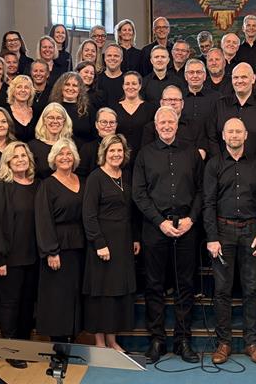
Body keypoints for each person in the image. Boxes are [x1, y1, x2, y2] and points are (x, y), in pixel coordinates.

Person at [133, 107, 204, 363]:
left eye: (170, 122)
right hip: (155, 228)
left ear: (177, 124)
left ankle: (182, 340)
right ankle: (157, 340)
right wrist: (160, 222)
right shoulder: (144, 154)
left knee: (185, 285)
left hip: (186, 227)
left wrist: (191, 219)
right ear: (155, 125)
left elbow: (201, 190)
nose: (166, 126)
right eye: (161, 122)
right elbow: (139, 193)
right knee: (154, 285)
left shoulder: (191, 152)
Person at [204, 118, 256, 365]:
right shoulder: (214, 164)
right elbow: (208, 203)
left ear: (245, 135)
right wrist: (212, 237)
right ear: (223, 135)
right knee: (222, 290)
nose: (234, 135)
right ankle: (224, 343)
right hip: (223, 232)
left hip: (252, 231)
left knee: (251, 288)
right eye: (230, 131)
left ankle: (252, 343)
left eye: (238, 131)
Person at [82, 134, 141, 351]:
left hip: (123, 243)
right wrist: (99, 243)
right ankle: (100, 343)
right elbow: (88, 214)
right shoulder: (95, 177)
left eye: (119, 150)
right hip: (103, 244)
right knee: (102, 294)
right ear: (104, 153)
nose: (116, 154)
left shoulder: (126, 176)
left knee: (117, 293)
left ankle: (113, 340)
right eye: (112, 151)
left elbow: (131, 211)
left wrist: (135, 238)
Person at [0, 142, 40, 369]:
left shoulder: (37, 185)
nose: (20, 159)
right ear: (7, 162)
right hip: (9, 258)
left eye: (23, 155)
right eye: (15, 156)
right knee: (10, 303)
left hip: (33, 257)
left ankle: (24, 346)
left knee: (27, 304)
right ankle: (10, 349)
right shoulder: (1, 187)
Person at [35, 138, 86, 342]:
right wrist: (51, 251)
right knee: (57, 296)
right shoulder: (47, 185)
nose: (65, 157)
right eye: (60, 154)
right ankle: (58, 342)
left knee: (75, 292)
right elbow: (43, 220)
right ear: (53, 159)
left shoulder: (82, 180)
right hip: (58, 247)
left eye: (69, 153)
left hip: (80, 245)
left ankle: (73, 337)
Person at [207, 62, 256, 162]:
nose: (239, 81)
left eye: (244, 77)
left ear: (253, 78)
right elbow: (211, 138)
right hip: (223, 167)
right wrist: (220, 163)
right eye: (236, 77)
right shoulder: (219, 105)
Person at [141, 85, 208, 156]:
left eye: (176, 99)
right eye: (169, 99)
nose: (173, 103)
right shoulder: (150, 128)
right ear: (161, 103)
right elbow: (147, 155)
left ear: (182, 104)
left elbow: (201, 153)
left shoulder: (195, 126)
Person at [112, 71, 158, 156]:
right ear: (123, 86)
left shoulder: (151, 109)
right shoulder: (113, 109)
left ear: (140, 86)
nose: (130, 87)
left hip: (144, 156)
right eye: (127, 84)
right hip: (119, 156)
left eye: (134, 83)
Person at [49, 71, 97, 146]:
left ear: (80, 89)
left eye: (75, 85)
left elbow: (94, 135)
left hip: (83, 150)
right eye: (67, 84)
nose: (70, 88)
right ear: (61, 87)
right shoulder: (52, 107)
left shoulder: (88, 109)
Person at [29, 102, 74, 179]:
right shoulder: (32, 146)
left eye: (59, 118)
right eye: (51, 117)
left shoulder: (71, 145)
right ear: (44, 120)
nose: (55, 121)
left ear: (64, 121)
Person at [182, 59, 221, 143]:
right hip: (182, 147)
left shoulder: (217, 98)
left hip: (210, 146)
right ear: (185, 76)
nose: (195, 76)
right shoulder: (178, 97)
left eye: (199, 72)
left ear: (204, 76)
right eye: (191, 72)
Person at [76, 107, 119, 175]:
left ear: (116, 125)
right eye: (104, 122)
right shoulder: (87, 149)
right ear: (96, 125)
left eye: (112, 122)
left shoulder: (122, 148)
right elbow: (80, 176)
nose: (108, 125)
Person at [7, 75, 37, 142]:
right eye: (19, 87)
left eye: (26, 87)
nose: (23, 90)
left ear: (31, 92)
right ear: (13, 91)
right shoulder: (5, 113)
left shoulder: (37, 113)